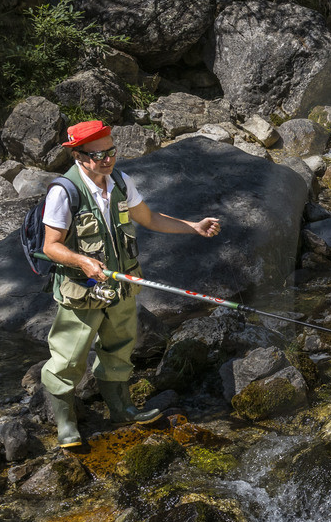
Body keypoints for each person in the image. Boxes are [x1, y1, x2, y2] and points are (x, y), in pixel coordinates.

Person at [40, 119, 221, 448]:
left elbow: (150, 219)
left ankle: (122, 408)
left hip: (121, 287)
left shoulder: (121, 182)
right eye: (99, 155)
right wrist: (82, 261)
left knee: (119, 350)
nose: (107, 159)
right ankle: (66, 423)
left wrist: (193, 227)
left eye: (111, 151)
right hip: (83, 291)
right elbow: (50, 246)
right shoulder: (63, 192)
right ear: (79, 156)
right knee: (68, 358)